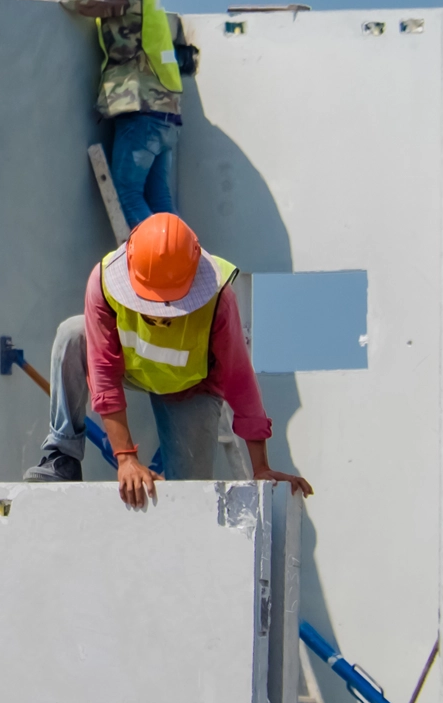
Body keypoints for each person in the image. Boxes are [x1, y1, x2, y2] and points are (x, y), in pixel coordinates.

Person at [23, 212, 313, 506]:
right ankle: (62, 456)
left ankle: (167, 487)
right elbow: (103, 372)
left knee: (189, 497)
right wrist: (126, 459)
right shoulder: (103, 283)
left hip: (189, 387)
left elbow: (239, 379)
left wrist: (260, 467)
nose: (160, 313)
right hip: (131, 367)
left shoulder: (219, 299)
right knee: (73, 333)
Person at [21, 0, 195, 228]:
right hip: (163, 113)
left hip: (143, 110)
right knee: (160, 202)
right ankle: (184, 264)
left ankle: (159, 264)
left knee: (127, 194)